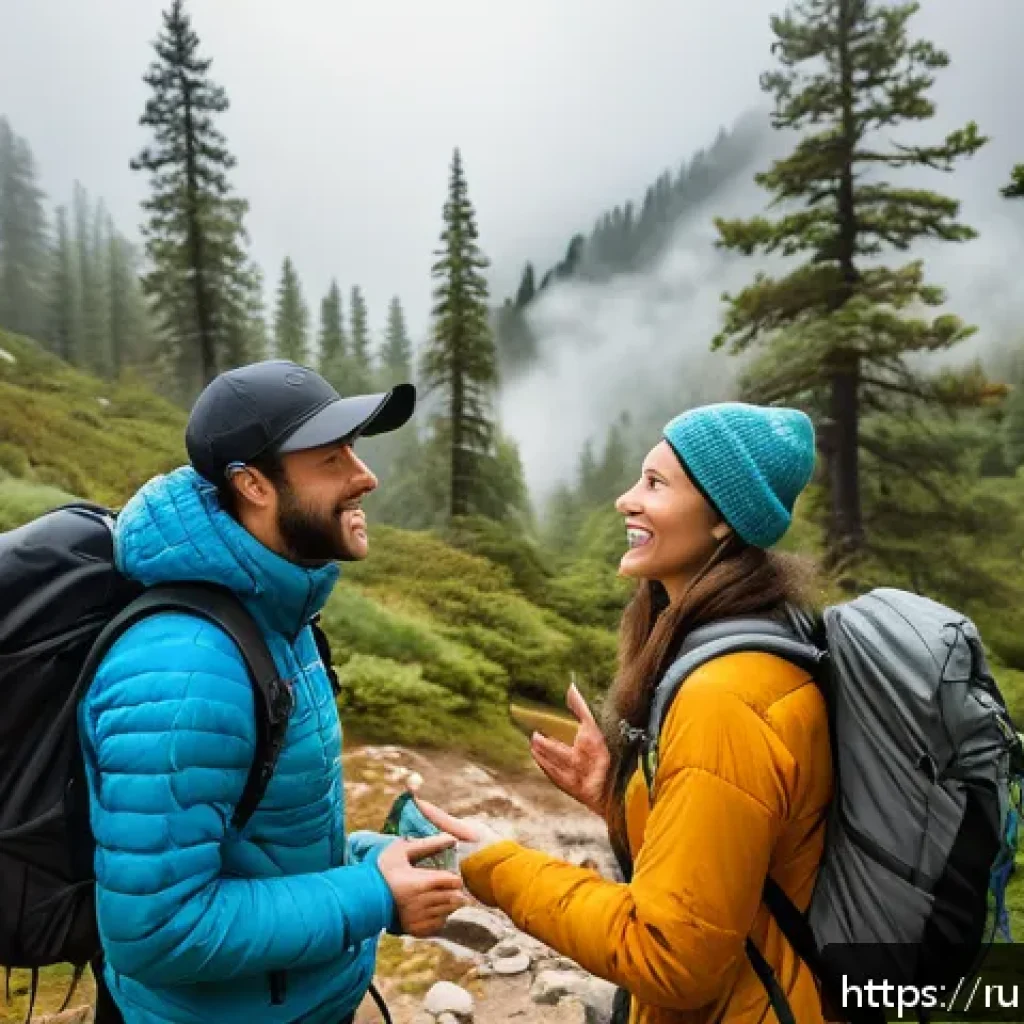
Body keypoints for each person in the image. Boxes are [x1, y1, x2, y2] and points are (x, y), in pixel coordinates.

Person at [417, 402, 833, 1024]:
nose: (625, 500)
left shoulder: (721, 699)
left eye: (656, 484)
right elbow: (736, 855)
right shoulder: (772, 635)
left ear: (723, 520)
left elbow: (671, 957)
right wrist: (618, 798)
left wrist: (494, 866)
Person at [77, 360, 465, 1024]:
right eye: (331, 459)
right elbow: (155, 930)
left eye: (356, 450)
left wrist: (374, 859)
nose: (365, 476)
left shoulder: (279, 614)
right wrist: (372, 895)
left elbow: (260, 845)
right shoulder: (186, 670)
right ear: (253, 484)